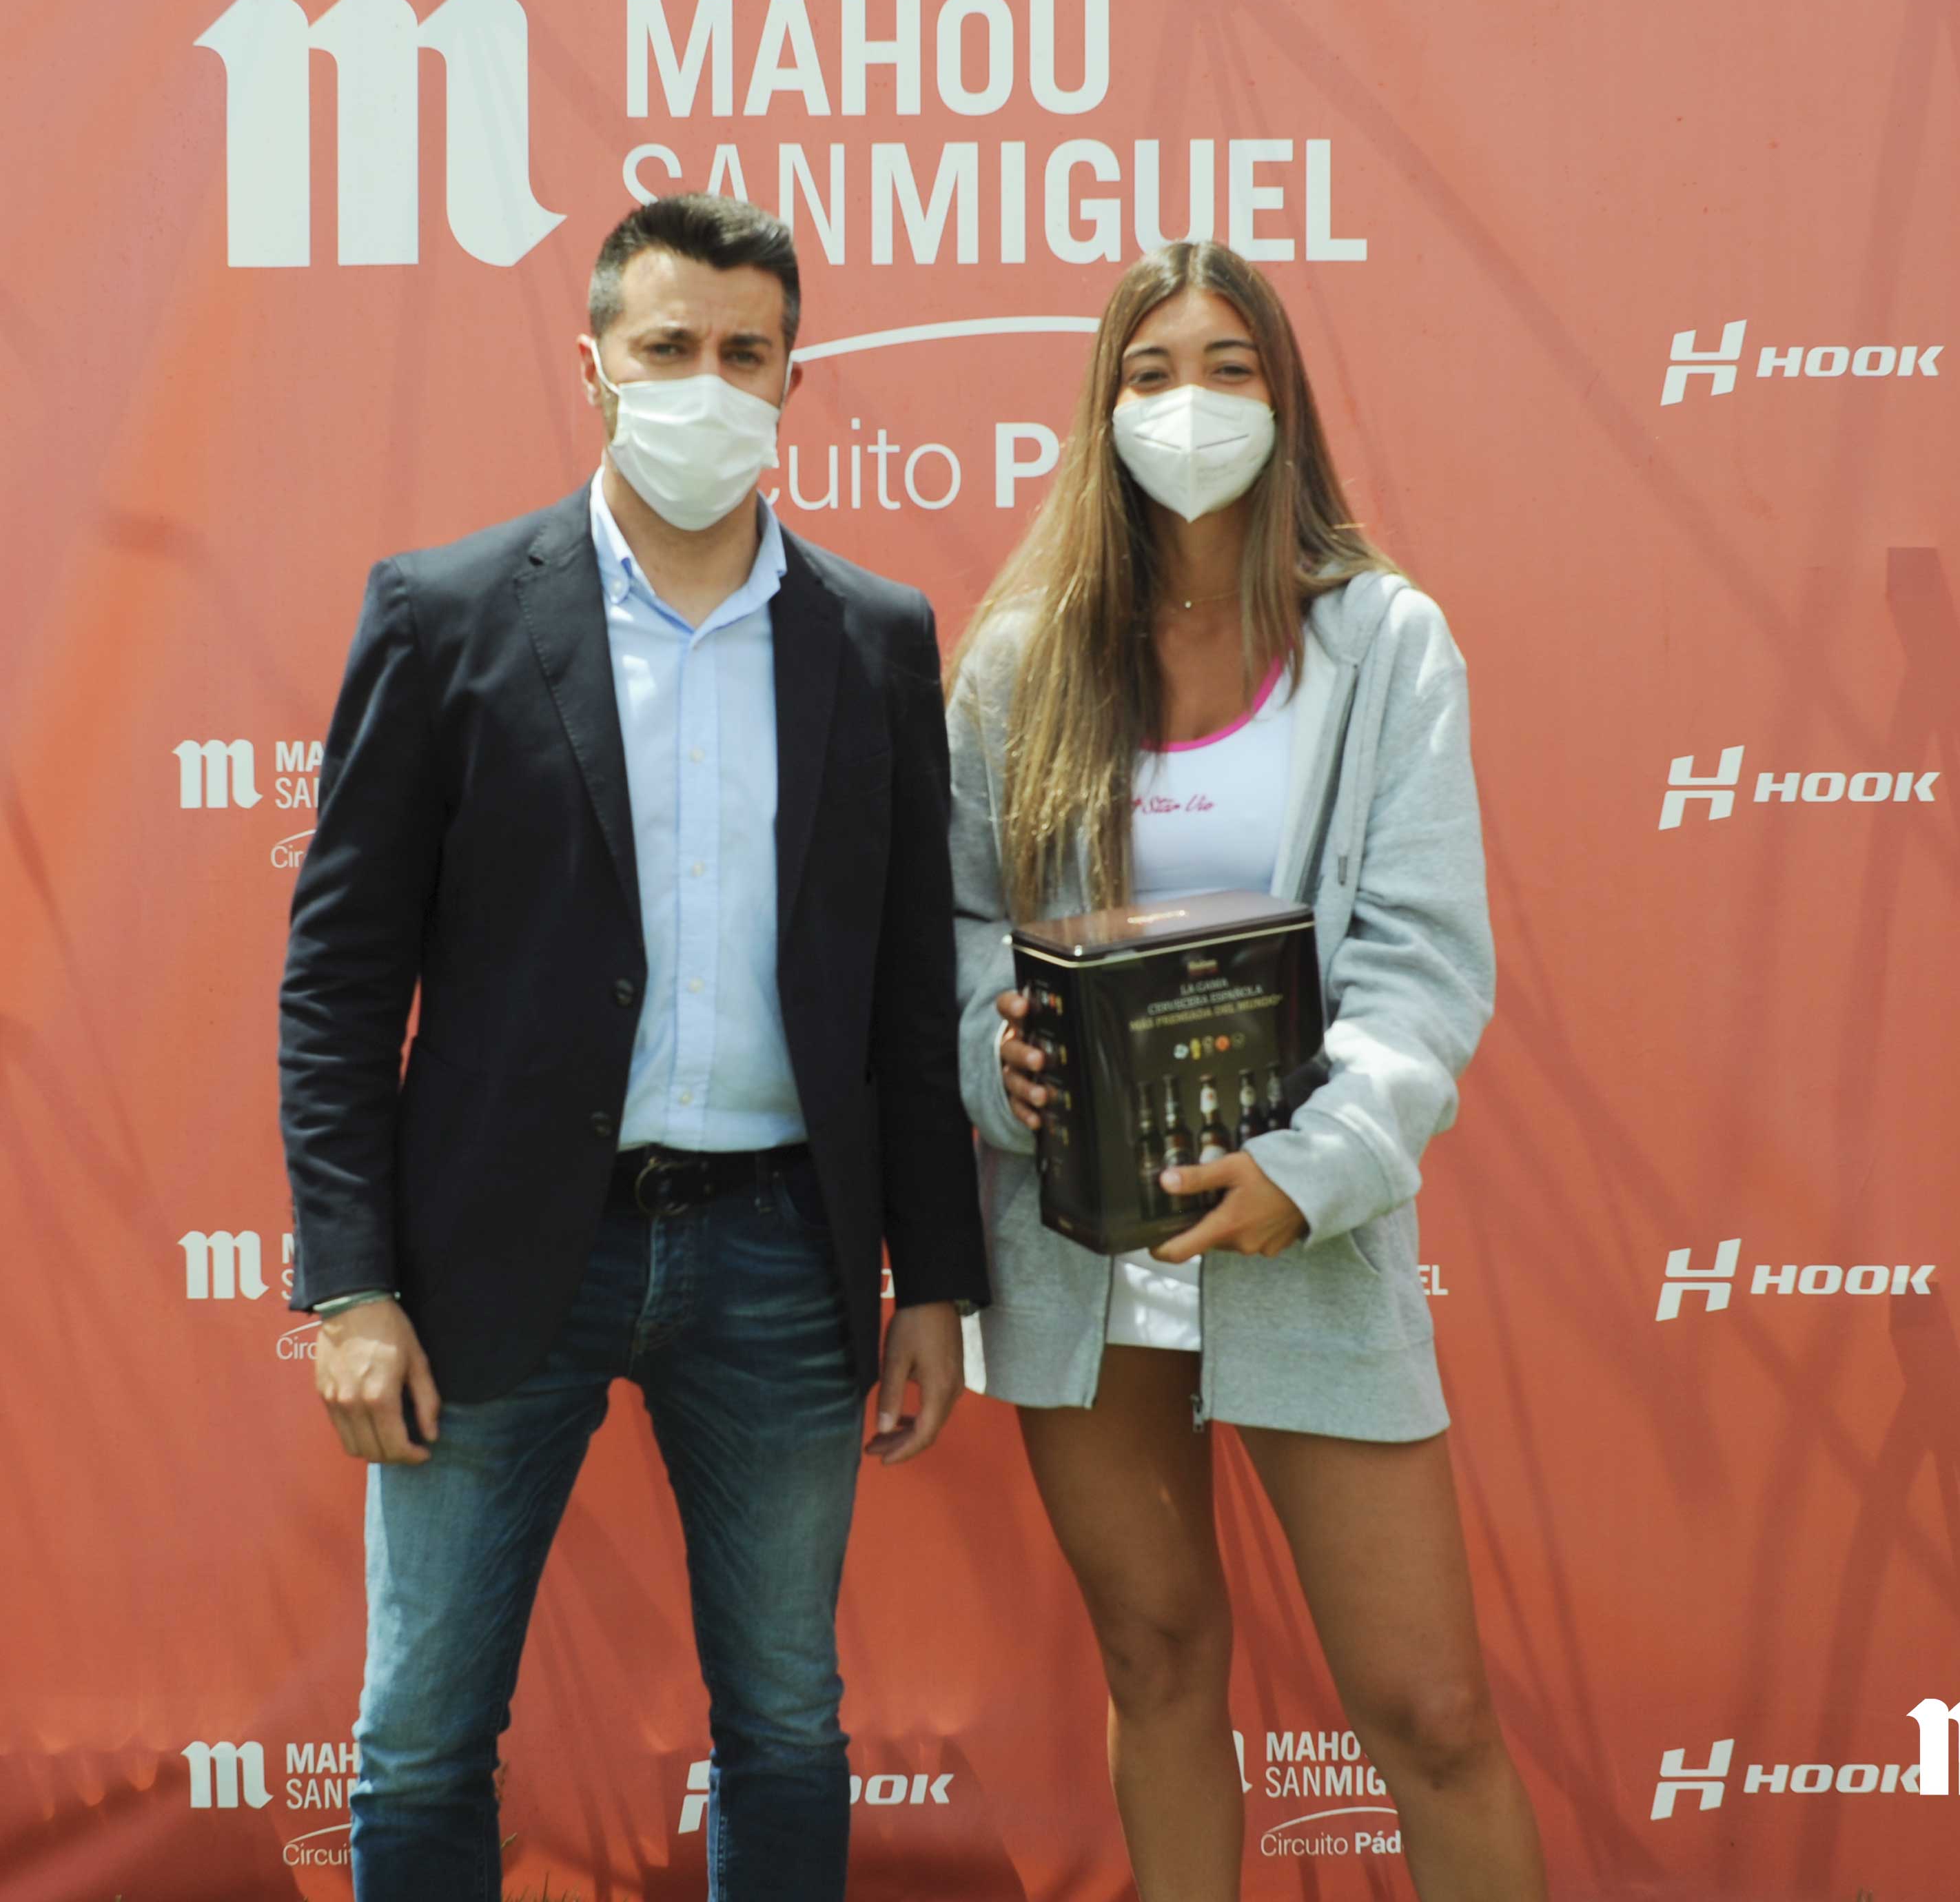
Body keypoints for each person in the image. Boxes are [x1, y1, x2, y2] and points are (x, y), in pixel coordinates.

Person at [280, 192, 987, 1902]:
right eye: (668, 346)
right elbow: (339, 979)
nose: (706, 383)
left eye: (746, 352)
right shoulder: (445, 615)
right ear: (592, 364)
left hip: (781, 1254)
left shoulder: (874, 636)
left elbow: (910, 989)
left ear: (795, 379)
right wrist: (350, 1286)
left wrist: (936, 1283)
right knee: (422, 1733)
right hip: (495, 1250)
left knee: (786, 1722)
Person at [946, 240, 1547, 1901]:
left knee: (1430, 1713)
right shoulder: (1020, 658)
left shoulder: (1384, 644)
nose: (1189, 405)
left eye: (1229, 367)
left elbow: (1426, 965)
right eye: (1150, 372)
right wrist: (998, 1055)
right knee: (1154, 1664)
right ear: (1102, 406)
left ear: (1284, 401)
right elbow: (956, 928)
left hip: (1307, 1239)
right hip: (1082, 1263)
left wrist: (1314, 1169)